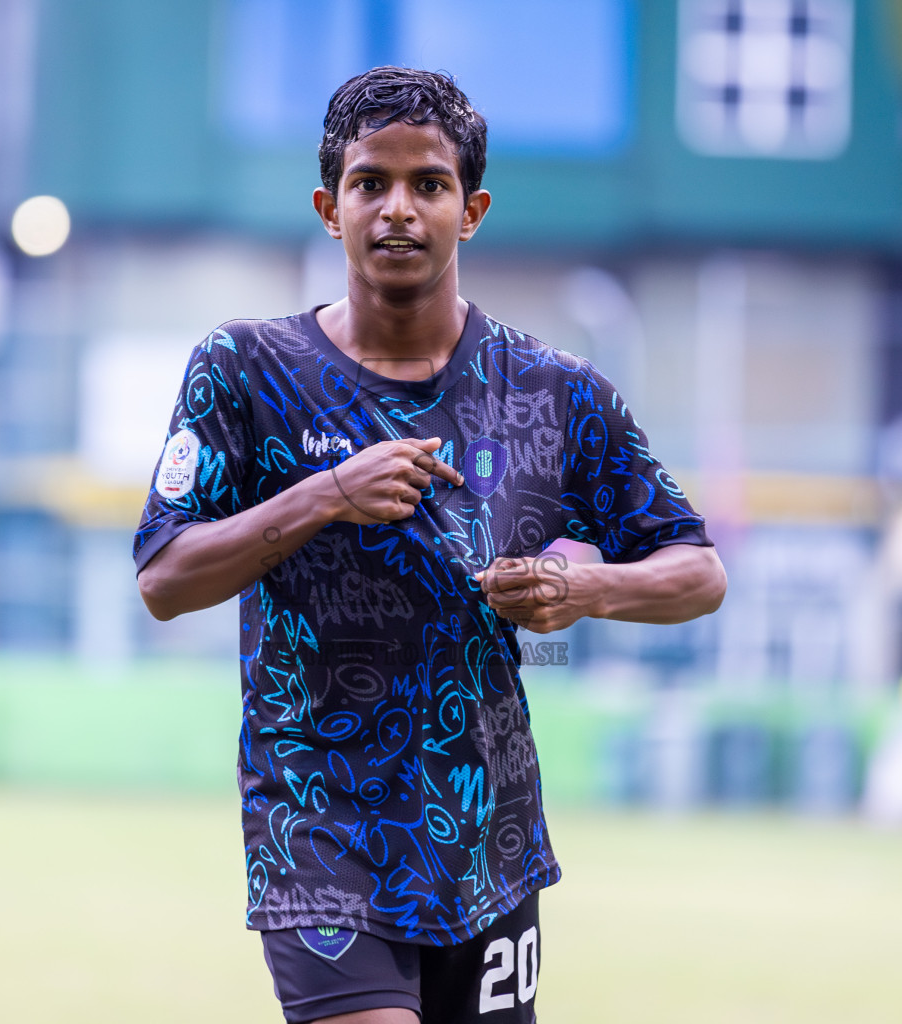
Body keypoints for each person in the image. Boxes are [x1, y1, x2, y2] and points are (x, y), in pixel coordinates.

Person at [134, 67, 725, 1024]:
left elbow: (698, 571)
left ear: (473, 208)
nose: (398, 210)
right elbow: (164, 576)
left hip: (482, 833)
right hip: (315, 822)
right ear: (331, 208)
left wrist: (585, 590)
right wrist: (327, 493)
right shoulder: (246, 369)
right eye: (371, 184)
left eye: (429, 185)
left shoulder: (554, 392)